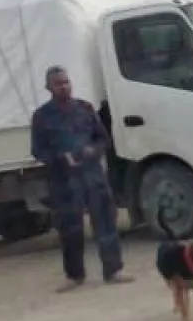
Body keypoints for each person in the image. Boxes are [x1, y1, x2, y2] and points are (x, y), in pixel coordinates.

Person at [30, 66, 131, 291]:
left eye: (66, 82)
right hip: (63, 181)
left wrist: (91, 151)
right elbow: (37, 150)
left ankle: (114, 270)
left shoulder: (85, 108)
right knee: (69, 229)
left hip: (92, 175)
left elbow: (103, 140)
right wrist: (59, 157)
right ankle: (74, 275)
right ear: (49, 87)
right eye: (58, 83)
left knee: (105, 222)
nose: (64, 86)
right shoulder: (42, 116)